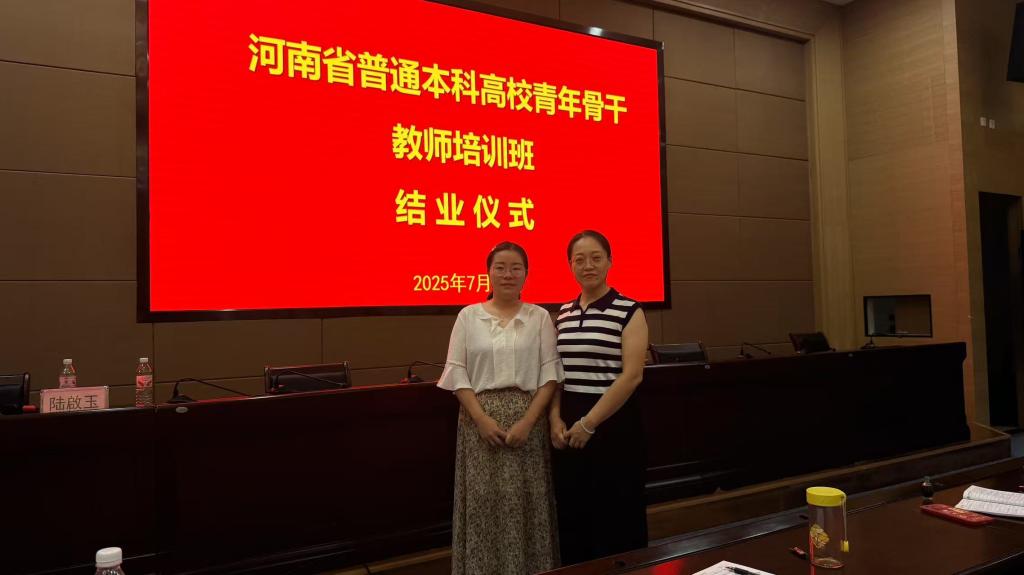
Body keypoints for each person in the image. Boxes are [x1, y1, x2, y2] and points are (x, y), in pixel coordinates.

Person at [438, 241, 564, 575]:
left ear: (526, 274)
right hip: (479, 422)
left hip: (528, 420)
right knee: (483, 504)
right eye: (500, 267)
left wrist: (529, 421)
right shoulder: (468, 316)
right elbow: (457, 372)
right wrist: (480, 419)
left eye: (516, 268)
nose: (508, 274)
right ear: (488, 272)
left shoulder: (539, 317)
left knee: (527, 501)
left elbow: (550, 375)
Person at [549, 230, 649, 565]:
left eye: (596, 258)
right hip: (570, 428)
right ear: (570, 265)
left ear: (609, 261)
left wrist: (589, 423)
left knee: (616, 516)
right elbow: (558, 375)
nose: (587, 265)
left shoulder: (629, 310)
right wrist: (555, 418)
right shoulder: (563, 313)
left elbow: (632, 375)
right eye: (579, 259)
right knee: (574, 516)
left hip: (612, 425)